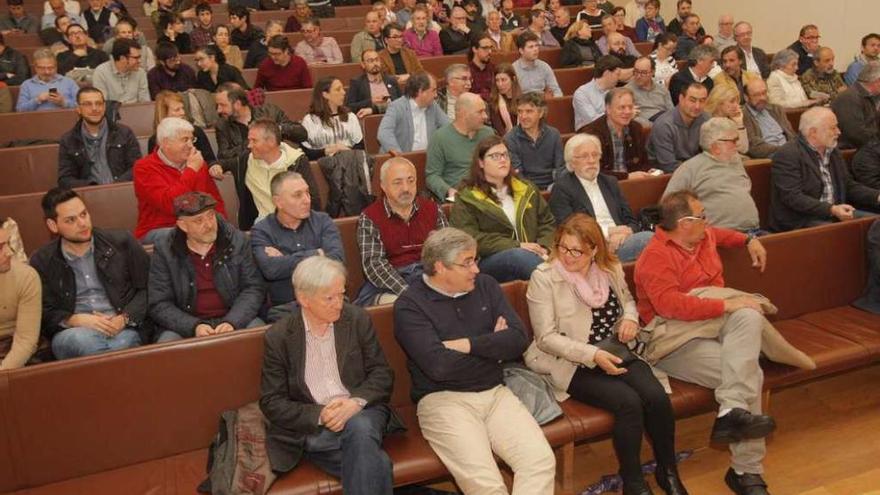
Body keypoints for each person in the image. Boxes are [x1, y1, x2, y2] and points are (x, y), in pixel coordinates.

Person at [525, 214, 682, 495]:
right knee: (628, 403)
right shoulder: (544, 278)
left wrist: (630, 319)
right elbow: (546, 338)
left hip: (616, 349)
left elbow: (628, 302)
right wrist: (593, 355)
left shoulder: (610, 268)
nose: (568, 256)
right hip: (571, 360)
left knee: (656, 397)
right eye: (562, 247)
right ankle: (633, 481)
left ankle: (667, 470)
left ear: (594, 250)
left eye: (577, 251)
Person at [393, 226, 557, 494]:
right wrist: (493, 348)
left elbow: (518, 340)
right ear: (440, 267)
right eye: (467, 263)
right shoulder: (410, 305)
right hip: (443, 400)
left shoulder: (486, 286)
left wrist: (466, 345)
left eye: (475, 260)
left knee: (539, 462)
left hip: (495, 392)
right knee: (487, 486)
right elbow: (438, 367)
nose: (476, 269)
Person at [634, 190, 778, 495]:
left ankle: (730, 416)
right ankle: (746, 471)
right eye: (701, 216)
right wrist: (725, 305)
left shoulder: (704, 236)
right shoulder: (654, 257)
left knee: (750, 314)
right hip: (674, 339)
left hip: (713, 324)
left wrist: (748, 240)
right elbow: (670, 306)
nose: (707, 221)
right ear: (684, 223)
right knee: (751, 374)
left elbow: (724, 235)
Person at [260, 255, 400, 494]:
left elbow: (382, 374)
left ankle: (322, 444)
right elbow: (271, 402)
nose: (339, 304)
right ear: (303, 299)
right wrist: (321, 415)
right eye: (329, 298)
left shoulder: (357, 319)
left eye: (342, 294)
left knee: (360, 426)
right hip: (318, 424)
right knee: (376, 462)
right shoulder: (279, 337)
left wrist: (354, 403)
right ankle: (325, 443)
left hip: (363, 410)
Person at [30, 188, 147, 360]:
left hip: (122, 327)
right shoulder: (42, 260)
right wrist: (74, 319)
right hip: (74, 332)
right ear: (53, 225)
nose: (82, 223)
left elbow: (149, 288)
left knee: (124, 343)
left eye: (84, 214)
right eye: (71, 220)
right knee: (86, 342)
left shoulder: (121, 242)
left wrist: (124, 318)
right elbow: (42, 312)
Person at [149, 191, 265, 342]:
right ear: (183, 225)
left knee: (260, 335)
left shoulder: (237, 241)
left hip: (234, 316)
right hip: (187, 323)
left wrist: (232, 321)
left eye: (211, 216)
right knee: (167, 345)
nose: (209, 225)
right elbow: (159, 303)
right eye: (199, 221)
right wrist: (194, 326)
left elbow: (254, 288)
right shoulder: (165, 250)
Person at [450, 136, 555, 282]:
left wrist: (544, 247)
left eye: (505, 155)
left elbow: (546, 222)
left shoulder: (526, 188)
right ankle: (555, 281)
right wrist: (517, 245)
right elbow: (469, 238)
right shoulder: (467, 198)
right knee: (518, 256)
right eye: (495, 156)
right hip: (489, 261)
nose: (503, 160)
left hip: (534, 256)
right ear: (480, 162)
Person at [770, 107, 880, 232]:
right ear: (813, 132)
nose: (838, 132)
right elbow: (793, 197)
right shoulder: (788, 155)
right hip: (801, 220)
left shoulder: (833, 152)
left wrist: (877, 196)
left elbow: (848, 186)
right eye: (833, 128)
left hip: (835, 214)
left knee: (877, 223)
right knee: (841, 232)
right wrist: (831, 209)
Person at [355, 157, 448, 305]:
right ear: (383, 186)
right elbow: (375, 265)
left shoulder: (433, 209)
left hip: (428, 274)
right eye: (397, 182)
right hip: (391, 281)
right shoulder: (370, 217)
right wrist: (407, 292)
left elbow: (447, 251)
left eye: (411, 181)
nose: (406, 188)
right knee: (405, 304)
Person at [549, 134, 653, 261]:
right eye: (584, 156)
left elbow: (631, 220)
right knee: (649, 240)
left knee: (654, 242)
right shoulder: (562, 188)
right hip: (590, 248)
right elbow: (568, 230)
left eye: (595, 155)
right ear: (572, 162)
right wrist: (608, 233)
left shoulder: (610, 182)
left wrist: (627, 232)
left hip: (621, 241)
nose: (591, 160)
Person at [251, 172, 343, 307]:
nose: (307, 200)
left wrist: (286, 259)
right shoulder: (262, 230)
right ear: (278, 202)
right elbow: (270, 269)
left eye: (307, 193)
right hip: (286, 307)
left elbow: (337, 259)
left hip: (328, 299)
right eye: (297, 195)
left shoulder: (323, 221)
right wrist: (317, 254)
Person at [133, 117, 227, 242]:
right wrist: (191, 171)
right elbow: (171, 205)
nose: (190, 145)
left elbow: (215, 201)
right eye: (185, 140)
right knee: (188, 235)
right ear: (166, 143)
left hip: (198, 225)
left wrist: (223, 225)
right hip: (160, 228)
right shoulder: (144, 168)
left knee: (229, 232)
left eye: (191, 139)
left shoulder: (198, 164)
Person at [664, 117, 760, 232]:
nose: (737, 145)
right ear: (715, 146)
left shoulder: (735, 160)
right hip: (718, 237)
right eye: (733, 140)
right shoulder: (691, 167)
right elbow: (669, 205)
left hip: (754, 231)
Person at [217, 119, 316, 230]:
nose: (249, 145)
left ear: (271, 142)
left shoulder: (297, 162)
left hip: (296, 224)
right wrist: (215, 166)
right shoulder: (245, 161)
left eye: (254, 141)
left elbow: (313, 200)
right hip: (263, 226)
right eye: (249, 140)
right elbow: (222, 162)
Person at [58, 87, 140, 188]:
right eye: (88, 104)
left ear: (104, 107)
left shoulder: (124, 133)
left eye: (99, 103)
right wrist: (92, 187)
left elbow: (137, 167)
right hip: (89, 196)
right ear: (78, 109)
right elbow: (65, 179)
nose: (94, 108)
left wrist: (116, 186)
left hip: (122, 191)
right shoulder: (68, 140)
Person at [214, 83, 308, 163]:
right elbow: (223, 157)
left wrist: (276, 129)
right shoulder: (222, 125)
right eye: (217, 105)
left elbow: (302, 134)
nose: (218, 110)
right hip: (248, 173)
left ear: (238, 104)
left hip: (279, 166)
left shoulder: (270, 112)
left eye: (223, 105)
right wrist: (253, 142)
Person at [425, 92, 495, 200]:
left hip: (488, 193)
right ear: (464, 114)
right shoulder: (440, 138)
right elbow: (432, 176)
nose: (485, 116)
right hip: (459, 196)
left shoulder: (488, 133)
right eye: (480, 112)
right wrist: (448, 191)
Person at [582, 87, 655, 179]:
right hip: (604, 185)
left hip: (632, 184)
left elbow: (643, 161)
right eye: (622, 107)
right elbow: (594, 171)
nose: (627, 112)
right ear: (608, 109)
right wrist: (626, 177)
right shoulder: (591, 134)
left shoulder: (636, 128)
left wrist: (648, 170)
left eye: (630, 107)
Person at [0, 223, 41, 370]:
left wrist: (3, 375)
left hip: (12, 352)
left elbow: (26, 340)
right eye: (0, 247)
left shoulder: (26, 276)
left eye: (8, 243)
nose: (9, 252)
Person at [377, 72, 448, 153]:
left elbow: (448, 127)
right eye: (433, 90)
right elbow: (384, 133)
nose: (436, 95)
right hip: (401, 160)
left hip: (427, 159)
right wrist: (399, 157)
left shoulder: (433, 106)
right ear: (421, 91)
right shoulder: (397, 107)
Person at [505, 92, 564, 190]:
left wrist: (556, 187)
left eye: (529, 111)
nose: (523, 116)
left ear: (540, 113)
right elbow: (518, 173)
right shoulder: (510, 138)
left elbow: (560, 167)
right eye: (520, 111)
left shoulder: (554, 134)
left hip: (553, 187)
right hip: (526, 189)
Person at [648, 82, 709, 172]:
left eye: (702, 101)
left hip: (697, 172)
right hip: (666, 176)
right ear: (681, 99)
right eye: (692, 100)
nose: (697, 106)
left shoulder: (706, 119)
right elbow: (668, 165)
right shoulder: (664, 125)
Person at [300, 76, 364, 160]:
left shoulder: (350, 116)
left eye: (343, 89)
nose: (344, 92)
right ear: (325, 94)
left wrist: (345, 150)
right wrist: (327, 151)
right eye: (338, 89)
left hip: (349, 159)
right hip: (322, 162)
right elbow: (306, 152)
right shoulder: (310, 120)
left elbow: (360, 146)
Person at [147, 91, 217, 163]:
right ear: (164, 113)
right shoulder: (154, 140)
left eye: (183, 108)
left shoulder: (196, 131)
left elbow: (210, 161)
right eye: (177, 110)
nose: (182, 112)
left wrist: (213, 166)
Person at [741, 79, 796, 160]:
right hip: (770, 157)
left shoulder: (776, 109)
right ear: (746, 97)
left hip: (790, 152)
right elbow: (754, 147)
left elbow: (791, 134)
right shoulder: (743, 116)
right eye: (756, 95)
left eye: (764, 93)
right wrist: (784, 150)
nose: (762, 98)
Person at [831, 61, 880, 150]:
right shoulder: (848, 98)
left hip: (868, 146)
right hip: (853, 150)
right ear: (877, 81)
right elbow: (856, 134)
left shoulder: (867, 95)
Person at [15, 48, 77, 112]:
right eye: (42, 68)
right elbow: (20, 109)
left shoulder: (69, 82)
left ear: (56, 67)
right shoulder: (27, 85)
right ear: (35, 68)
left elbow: (82, 106)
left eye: (50, 68)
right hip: (37, 120)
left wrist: (63, 102)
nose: (47, 72)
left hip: (65, 120)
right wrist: (37, 100)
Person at [345, 49, 402, 117]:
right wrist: (371, 101)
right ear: (363, 64)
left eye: (377, 60)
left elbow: (402, 103)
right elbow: (349, 107)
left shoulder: (391, 80)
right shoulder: (357, 82)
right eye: (370, 61)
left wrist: (373, 110)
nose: (375, 63)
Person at [92, 38, 149, 103]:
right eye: (136, 58)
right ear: (122, 58)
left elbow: (145, 102)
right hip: (112, 111)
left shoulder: (140, 72)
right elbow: (102, 103)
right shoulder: (101, 72)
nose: (140, 61)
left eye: (140, 57)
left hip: (136, 111)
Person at [574, 55, 623, 131]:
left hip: (612, 129)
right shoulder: (582, 93)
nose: (619, 78)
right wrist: (617, 114)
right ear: (607, 73)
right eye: (617, 74)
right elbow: (593, 120)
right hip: (588, 132)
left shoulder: (615, 92)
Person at [626, 56, 674, 126]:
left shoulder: (662, 89)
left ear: (653, 72)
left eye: (643, 73)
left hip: (665, 120)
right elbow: (632, 117)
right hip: (648, 124)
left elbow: (671, 111)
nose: (638, 76)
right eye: (636, 71)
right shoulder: (627, 91)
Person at [513, 31, 562, 97]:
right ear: (521, 51)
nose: (535, 49)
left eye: (536, 46)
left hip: (543, 103)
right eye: (531, 47)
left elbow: (556, 90)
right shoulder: (513, 69)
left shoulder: (544, 66)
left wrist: (553, 100)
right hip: (523, 104)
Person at [705, 85, 748, 156]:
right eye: (732, 101)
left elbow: (743, 149)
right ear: (719, 102)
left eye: (737, 102)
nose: (736, 106)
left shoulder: (730, 121)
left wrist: (739, 123)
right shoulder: (707, 122)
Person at [488, 62, 520, 135]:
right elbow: (499, 130)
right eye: (497, 80)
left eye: (503, 80)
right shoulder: (493, 102)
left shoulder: (523, 99)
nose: (500, 84)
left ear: (513, 79)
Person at [468, 34, 496, 100]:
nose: (489, 51)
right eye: (485, 48)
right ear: (474, 49)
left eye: (490, 47)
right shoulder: (467, 71)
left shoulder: (494, 69)